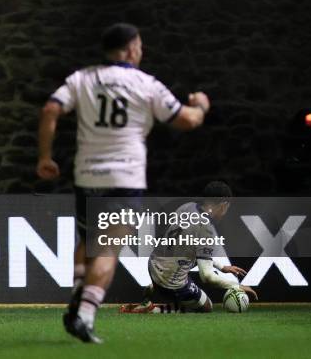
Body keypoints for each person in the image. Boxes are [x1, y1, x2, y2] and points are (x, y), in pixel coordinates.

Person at [37, 23, 210, 343]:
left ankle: (78, 290)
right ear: (131, 49)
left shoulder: (82, 78)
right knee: (107, 248)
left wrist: (45, 157)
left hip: (87, 175)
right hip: (124, 179)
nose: (141, 51)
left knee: (89, 241)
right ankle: (85, 315)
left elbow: (50, 109)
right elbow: (186, 120)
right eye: (140, 46)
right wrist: (201, 104)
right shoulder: (146, 84)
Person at [135, 181, 258, 313]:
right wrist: (237, 286)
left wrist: (222, 267)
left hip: (154, 263)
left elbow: (190, 249)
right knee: (207, 307)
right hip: (169, 279)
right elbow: (207, 276)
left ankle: (154, 288)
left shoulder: (187, 207)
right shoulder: (206, 229)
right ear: (223, 205)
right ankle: (153, 310)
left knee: (184, 258)